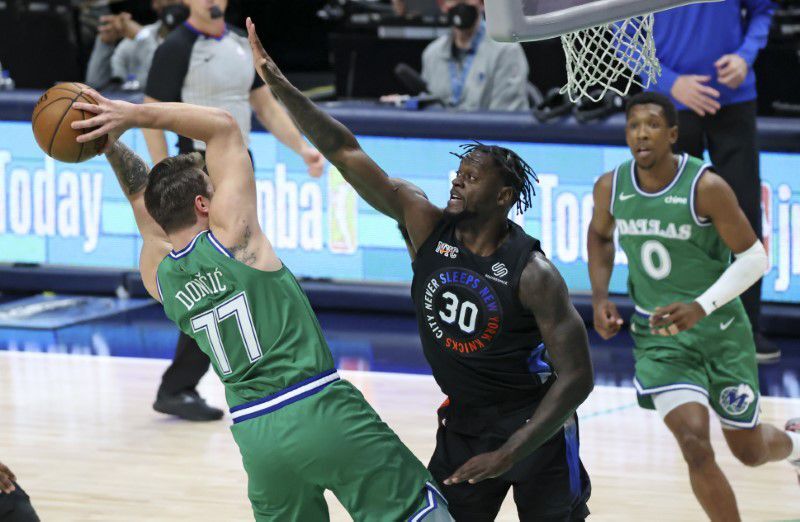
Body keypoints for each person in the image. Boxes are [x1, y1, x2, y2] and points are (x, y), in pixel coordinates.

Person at [245, 18, 593, 520]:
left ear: (503, 196)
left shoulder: (534, 273)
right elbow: (345, 150)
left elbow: (578, 376)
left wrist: (511, 451)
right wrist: (282, 89)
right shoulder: (424, 223)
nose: (457, 181)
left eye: (471, 178)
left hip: (535, 424)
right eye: (458, 173)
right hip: (465, 424)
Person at [70, 91, 452, 522]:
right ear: (202, 204)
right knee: (416, 512)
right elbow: (223, 126)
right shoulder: (235, 237)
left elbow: (140, 196)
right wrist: (131, 116)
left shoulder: (158, 275)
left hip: (257, 437)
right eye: (212, 190)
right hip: (318, 407)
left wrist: (107, 145)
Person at [587, 92, 800, 521]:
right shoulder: (611, 186)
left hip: (720, 333)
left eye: (650, 124)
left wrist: (702, 306)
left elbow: (755, 258)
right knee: (694, 444)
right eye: (633, 125)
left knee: (749, 450)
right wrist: (600, 297)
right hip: (660, 339)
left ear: (672, 134)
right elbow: (600, 236)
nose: (641, 133)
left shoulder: (706, 187)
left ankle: (795, 445)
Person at [142, 0, 325, 421]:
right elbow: (151, 113)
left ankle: (188, 382)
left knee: (233, 276)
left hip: (234, 169)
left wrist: (301, 149)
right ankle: (180, 384)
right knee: (215, 280)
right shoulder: (175, 47)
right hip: (196, 173)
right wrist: (158, 176)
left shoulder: (240, 45)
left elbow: (264, 106)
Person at [646, 0, 778, 361]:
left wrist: (745, 56)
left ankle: (746, 329)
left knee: (745, 215)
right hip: (668, 102)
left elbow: (763, 11)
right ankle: (671, 330)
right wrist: (670, 81)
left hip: (733, 102)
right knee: (669, 221)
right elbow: (620, 33)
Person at [420, 0, 529, 111]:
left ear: (482, 3)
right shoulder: (432, 54)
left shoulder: (506, 50)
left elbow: (505, 120)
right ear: (442, 4)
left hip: (487, 128)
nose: (461, 3)